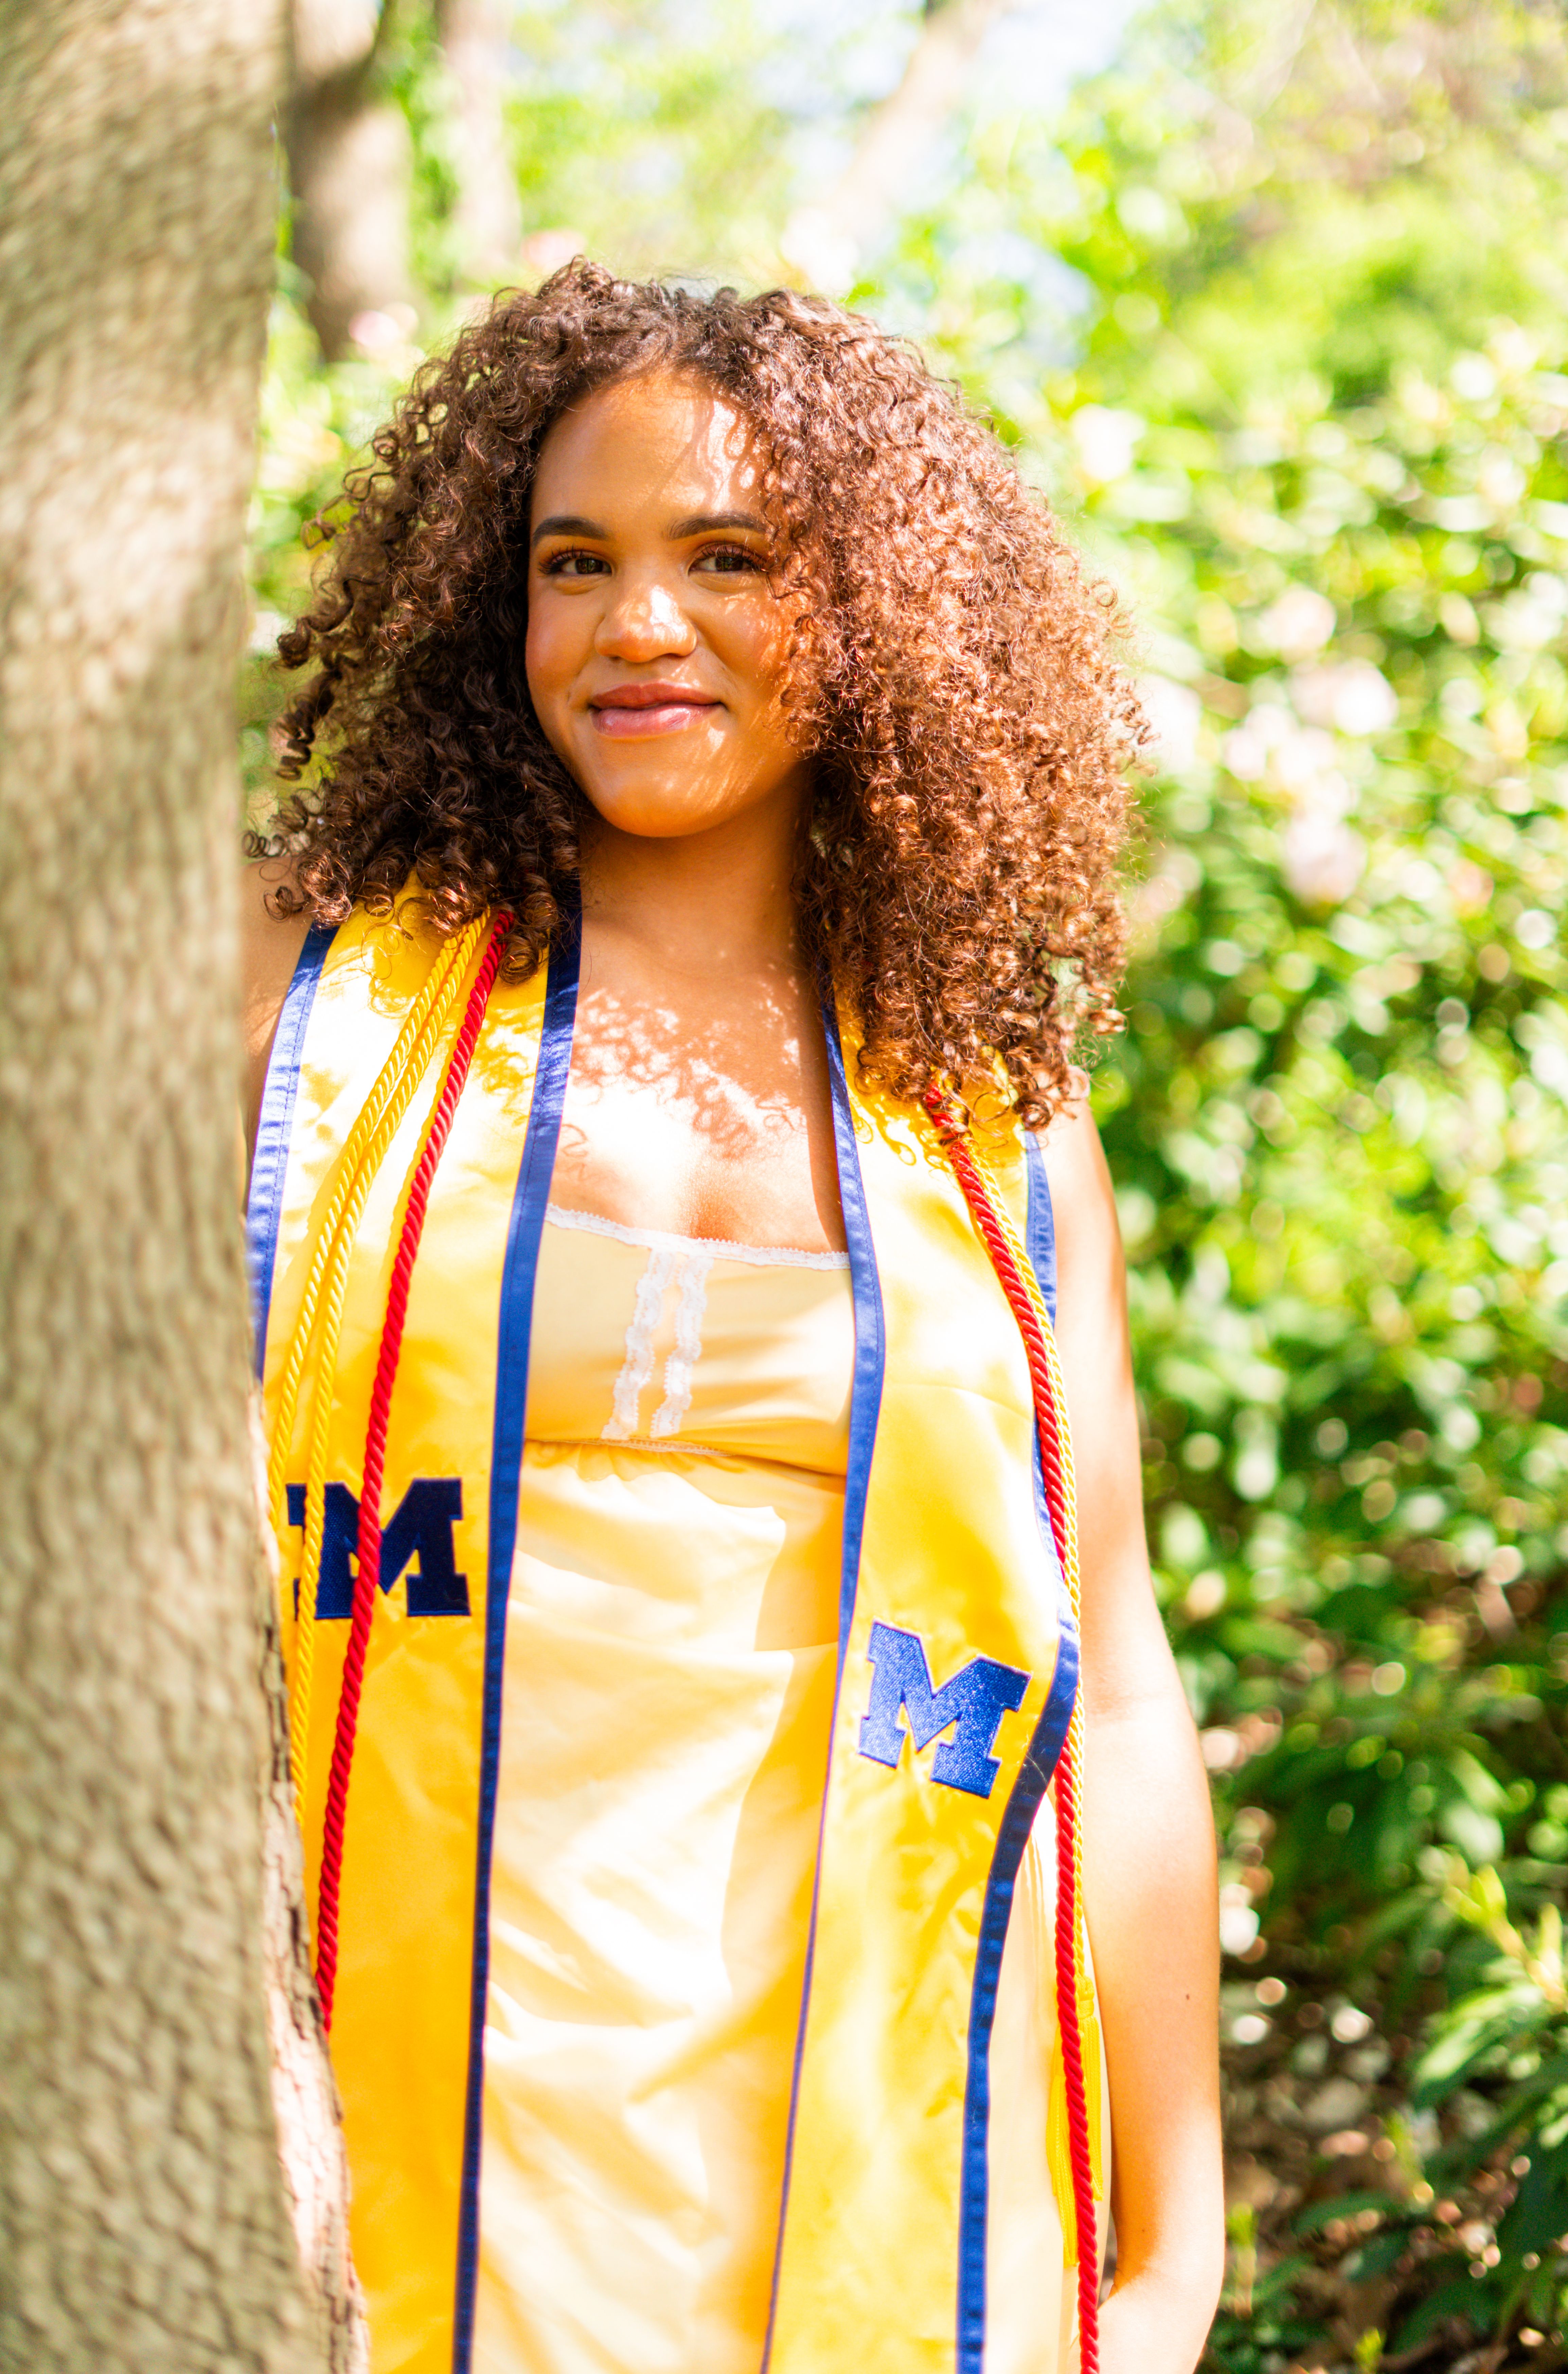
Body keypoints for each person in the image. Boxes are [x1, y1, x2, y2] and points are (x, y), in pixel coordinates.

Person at [242, 262, 1223, 2374]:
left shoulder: (988, 1118)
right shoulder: (317, 1007)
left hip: (876, 2168)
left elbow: (1112, 1683)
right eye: (572, 562)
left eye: (727, 558)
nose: (637, 625)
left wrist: (1174, 2255)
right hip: (401, 2144)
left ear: (868, 610)